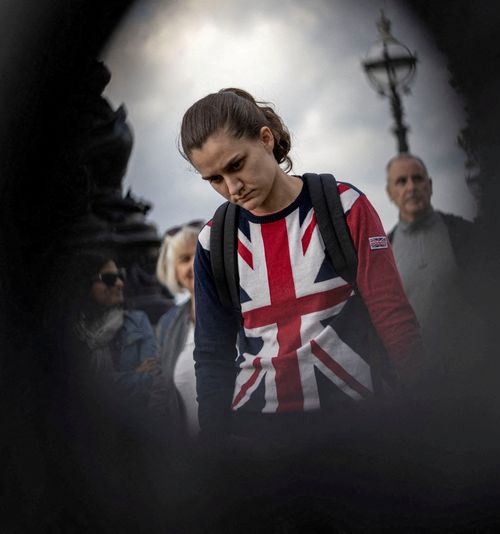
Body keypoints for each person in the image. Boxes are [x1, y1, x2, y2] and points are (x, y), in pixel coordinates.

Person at [180, 88, 423, 442]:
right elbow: (212, 354)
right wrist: (215, 447)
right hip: (259, 438)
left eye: (236, 165)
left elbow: (393, 315)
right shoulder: (211, 242)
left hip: (358, 425)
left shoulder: (345, 206)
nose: (232, 187)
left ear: (265, 139)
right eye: (214, 179)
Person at [385, 153, 479, 374]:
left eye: (417, 179)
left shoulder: (466, 235)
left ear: (430, 185)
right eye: (401, 181)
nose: (411, 187)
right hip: (416, 385)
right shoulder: (384, 251)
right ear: (390, 193)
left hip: (472, 372)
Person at [71, 251, 160, 413]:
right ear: (86, 284)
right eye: (109, 279)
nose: (119, 283)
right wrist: (133, 374)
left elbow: (152, 378)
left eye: (121, 276)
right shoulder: (72, 330)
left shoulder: (137, 321)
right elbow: (76, 388)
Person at [150, 220, 204, 438]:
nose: (194, 264)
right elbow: (160, 392)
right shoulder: (167, 325)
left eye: (200, 253)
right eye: (184, 259)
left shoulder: (243, 308)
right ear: (173, 271)